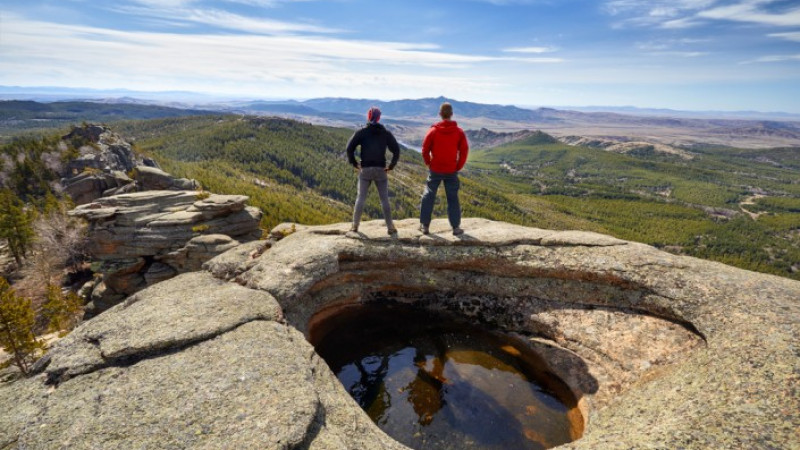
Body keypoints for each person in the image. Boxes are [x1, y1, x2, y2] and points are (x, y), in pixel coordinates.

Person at [346, 106, 400, 235]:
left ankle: (355, 226)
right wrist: (391, 166)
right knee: (384, 200)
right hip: (381, 170)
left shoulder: (362, 132)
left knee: (361, 198)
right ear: (379, 117)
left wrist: (354, 163)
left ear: (368, 116)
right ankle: (390, 227)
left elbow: (349, 148)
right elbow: (396, 150)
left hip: (365, 170)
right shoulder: (385, 133)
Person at [419, 102, 469, 235]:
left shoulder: (433, 131)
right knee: (452, 198)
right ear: (451, 114)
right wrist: (458, 166)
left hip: (435, 169)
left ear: (440, 114)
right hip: (451, 170)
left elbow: (425, 149)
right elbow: (464, 151)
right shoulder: (458, 132)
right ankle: (455, 228)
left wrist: (429, 163)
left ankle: (425, 226)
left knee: (429, 195)